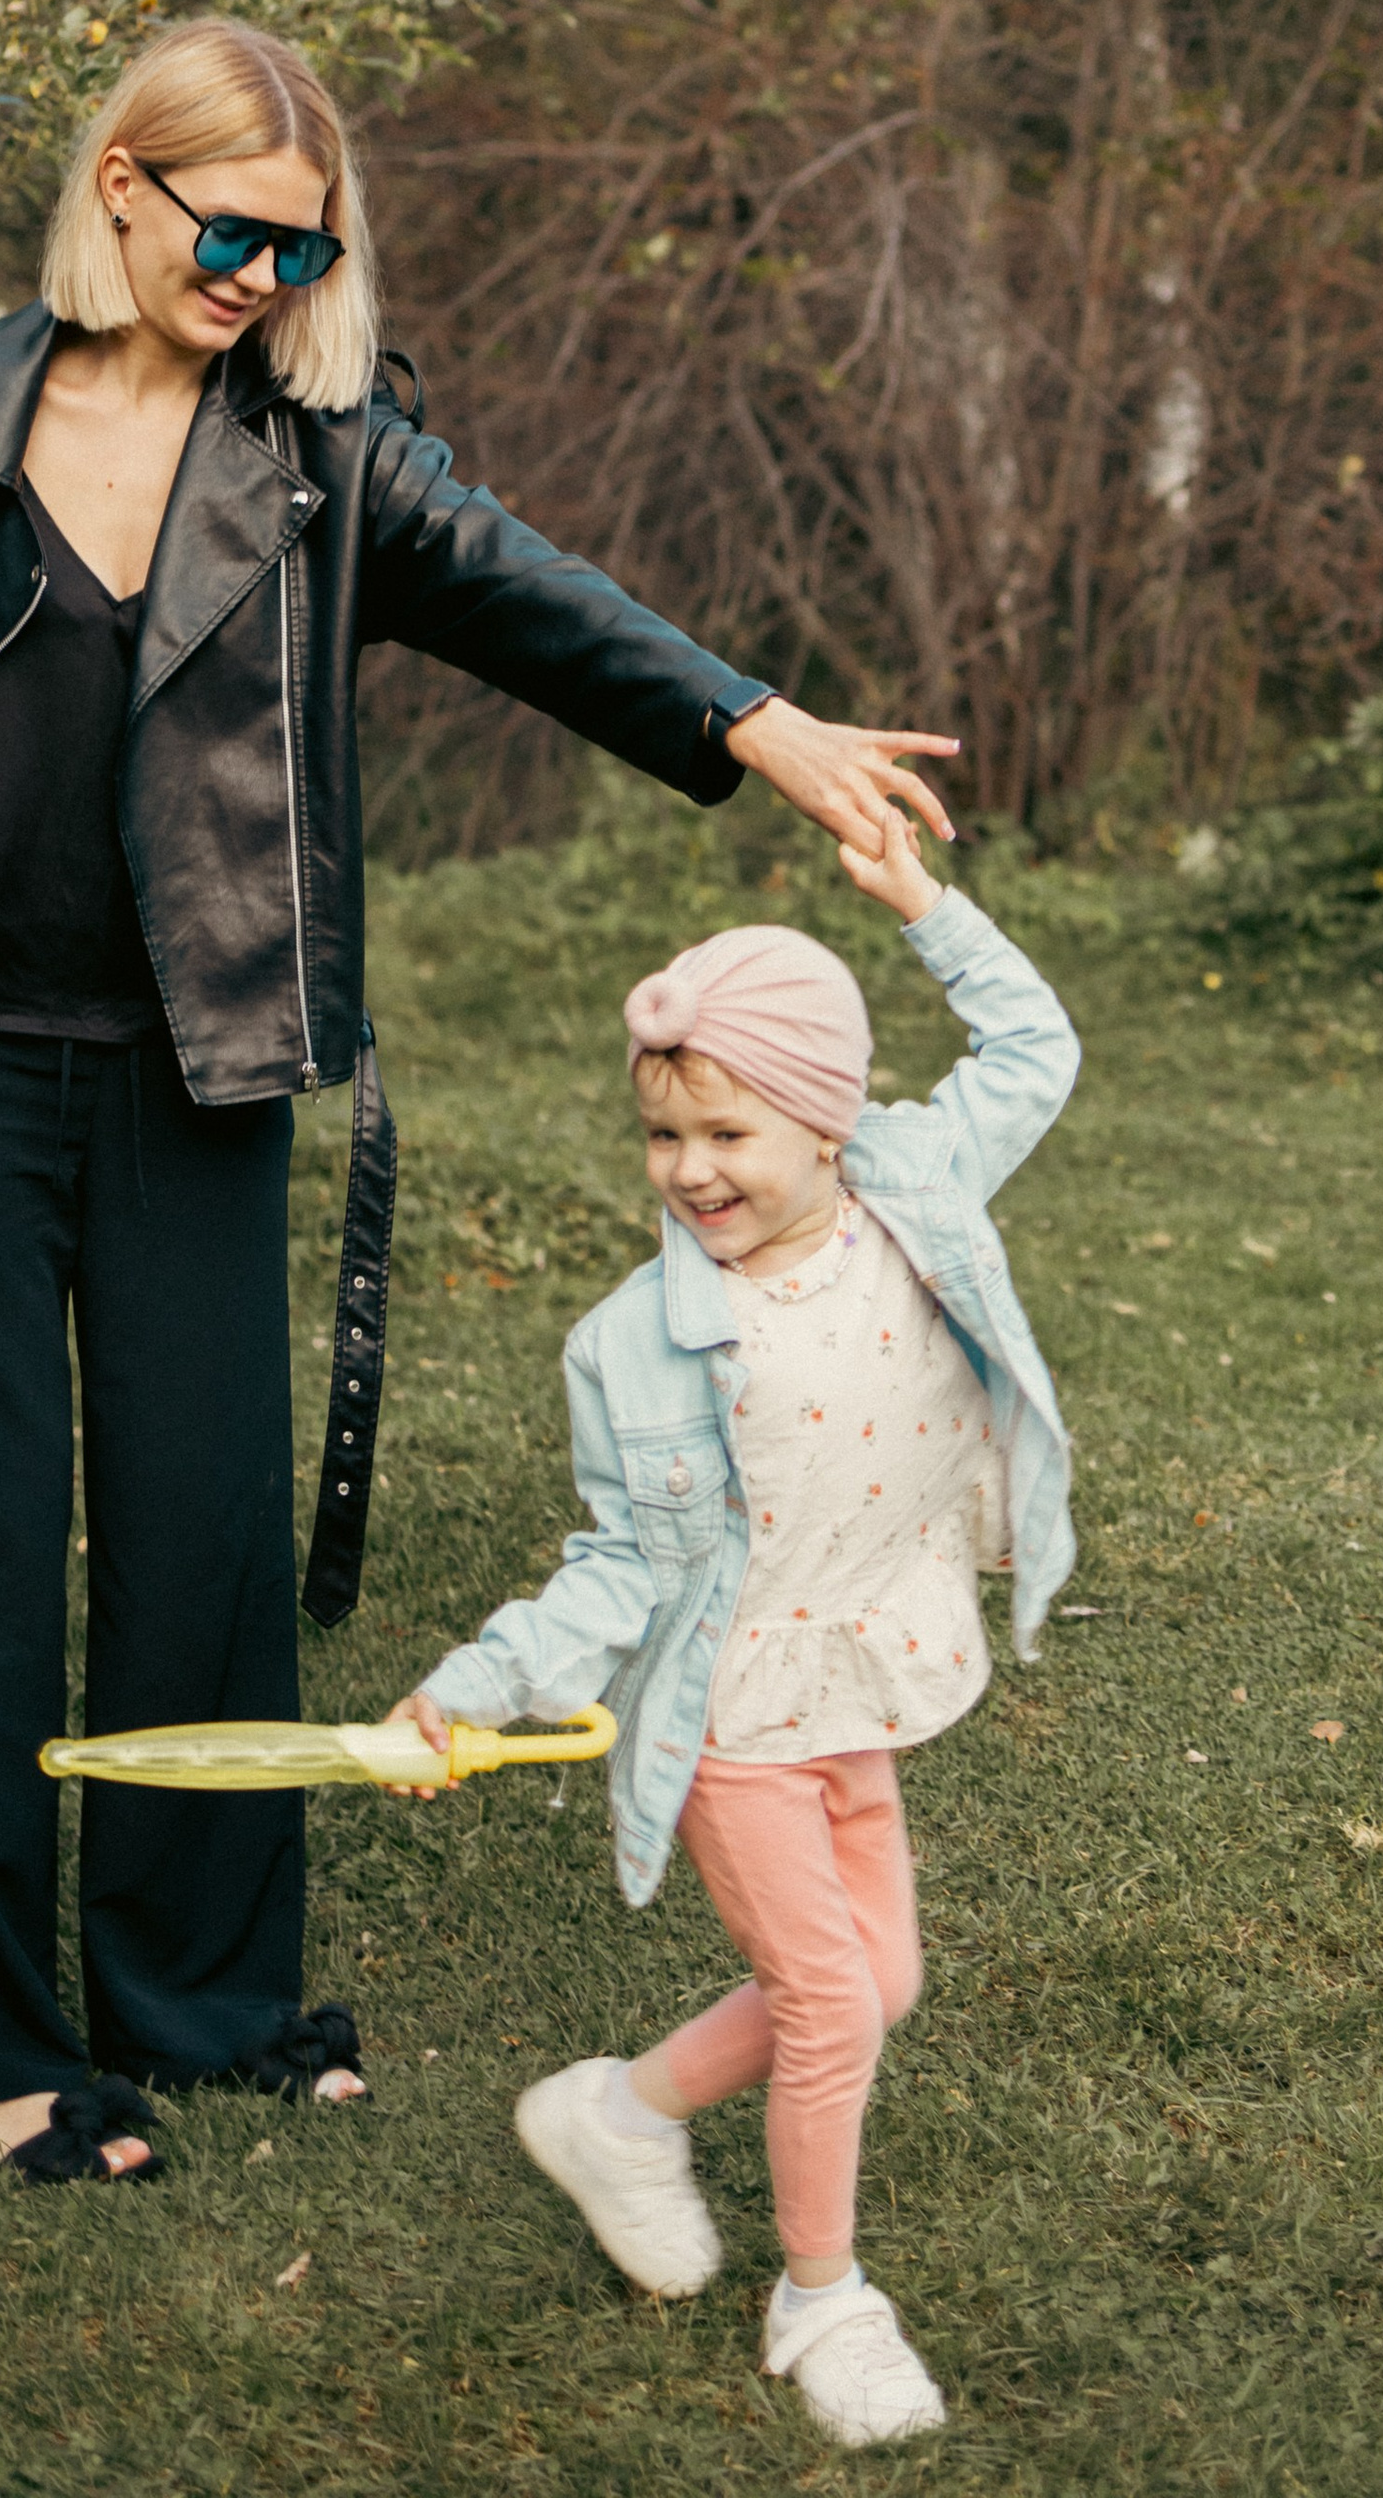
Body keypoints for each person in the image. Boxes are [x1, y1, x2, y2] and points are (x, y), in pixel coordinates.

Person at [0, 17, 958, 2187]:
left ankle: (200, 2006)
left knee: (203, 1534)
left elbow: (533, 600)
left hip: (196, 1058)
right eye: (228, 230)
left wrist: (764, 730)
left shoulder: (317, 455)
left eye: (301, 250)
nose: (261, 277)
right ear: (117, 183)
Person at [383, 802, 1078, 2449]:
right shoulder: (641, 1345)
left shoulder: (914, 1181)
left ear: (829, 1124)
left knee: (880, 1980)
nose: (691, 1172)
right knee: (833, 2004)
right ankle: (820, 2298)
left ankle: (617, 2114)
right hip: (737, 1708)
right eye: (662, 1139)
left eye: (729, 1135)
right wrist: (477, 1688)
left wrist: (920, 902)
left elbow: (1033, 1045)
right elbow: (618, 1561)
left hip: (861, 1660)